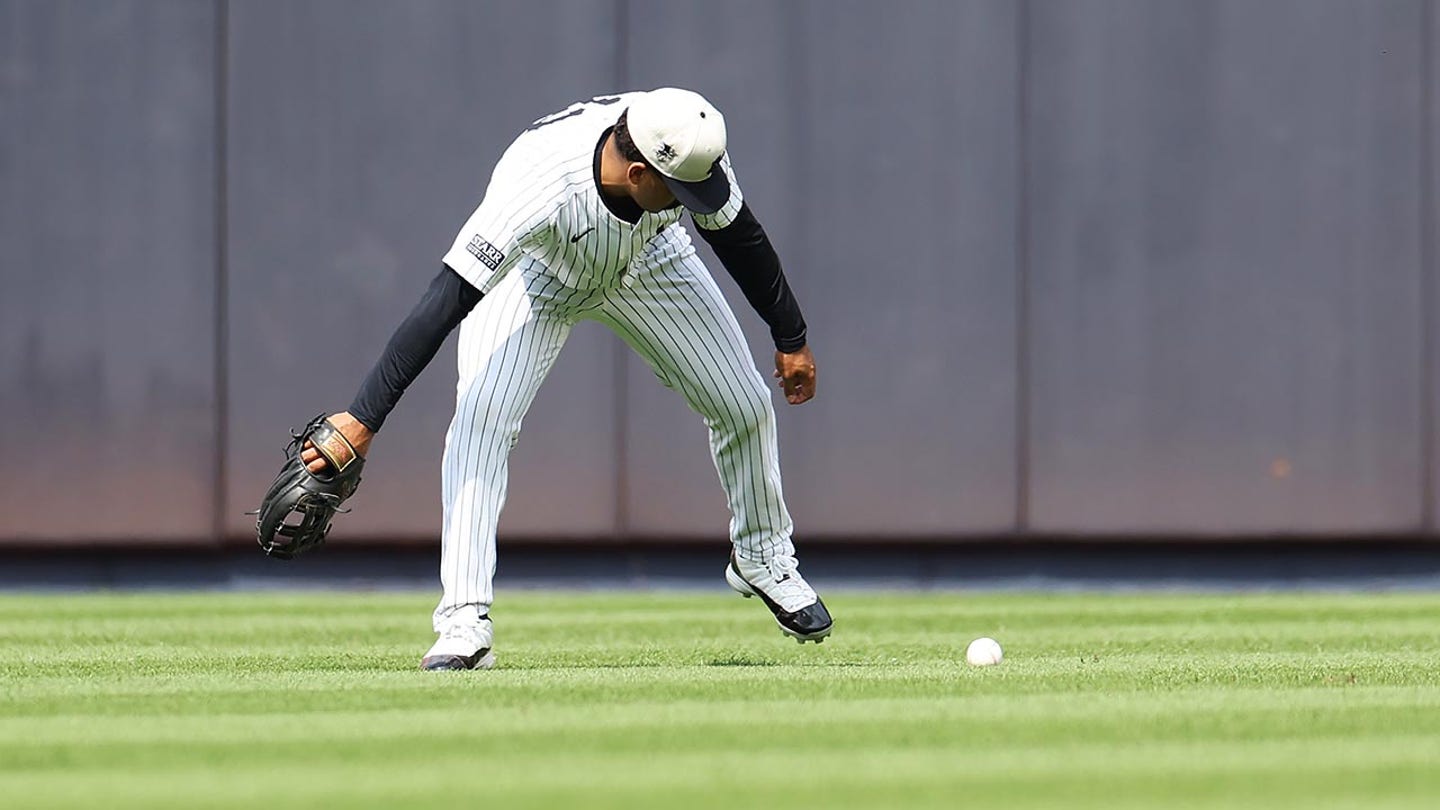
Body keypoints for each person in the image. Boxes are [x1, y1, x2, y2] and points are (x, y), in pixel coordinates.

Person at [301, 88, 832, 670]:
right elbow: (445, 299)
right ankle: (462, 621)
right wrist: (364, 416)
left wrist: (791, 336)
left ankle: (762, 555)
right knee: (480, 424)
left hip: (653, 263)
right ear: (636, 172)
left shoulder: (686, 138)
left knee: (745, 405)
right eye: (680, 192)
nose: (692, 199)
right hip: (537, 276)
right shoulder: (539, 183)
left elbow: (738, 236)